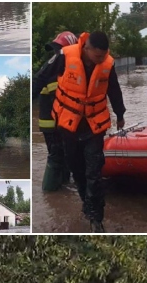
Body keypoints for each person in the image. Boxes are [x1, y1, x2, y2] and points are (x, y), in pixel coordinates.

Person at [33, 31, 124, 233]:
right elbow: (40, 78)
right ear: (86, 48)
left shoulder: (107, 64)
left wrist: (120, 113)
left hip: (94, 125)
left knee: (94, 172)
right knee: (77, 170)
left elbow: (114, 90)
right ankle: (87, 204)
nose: (100, 60)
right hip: (69, 125)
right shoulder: (64, 56)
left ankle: (96, 219)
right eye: (96, 56)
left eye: (103, 55)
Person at [36, 31, 77, 192]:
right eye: (56, 49)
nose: (57, 53)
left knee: (63, 155)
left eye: (59, 49)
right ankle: (50, 190)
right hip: (52, 124)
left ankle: (63, 185)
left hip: (54, 123)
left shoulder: (54, 67)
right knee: (56, 155)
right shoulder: (55, 70)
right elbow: (59, 100)